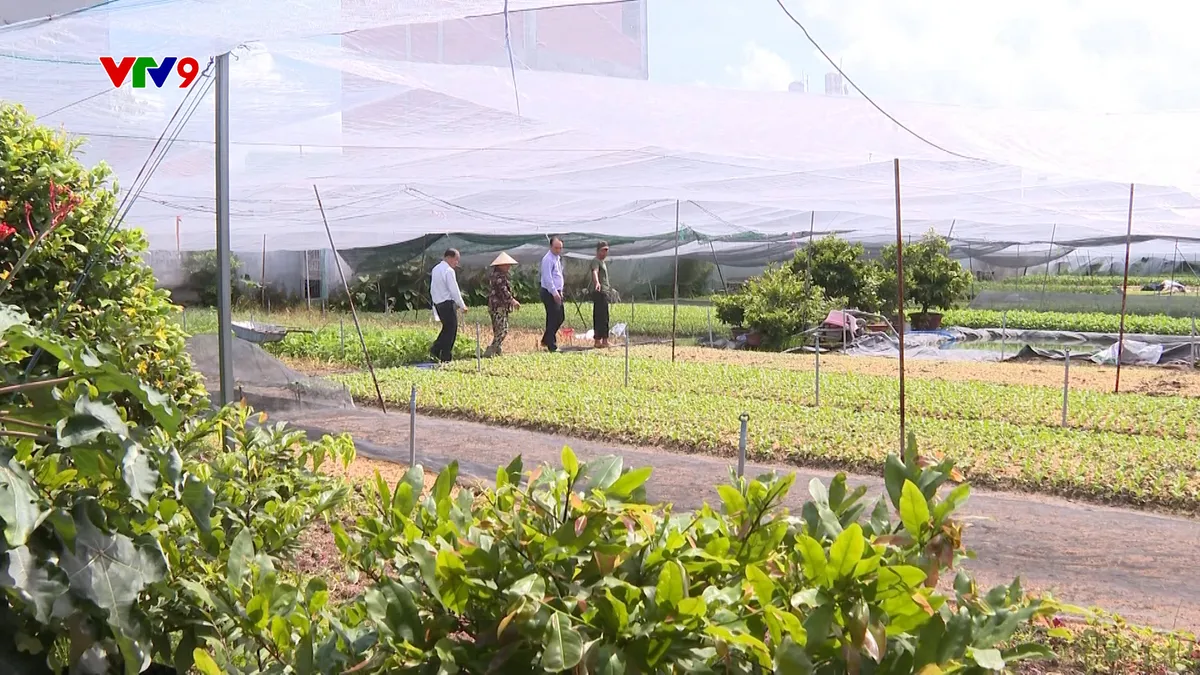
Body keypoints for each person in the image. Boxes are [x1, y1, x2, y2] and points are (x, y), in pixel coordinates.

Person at [429, 248, 467, 362]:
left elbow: (432, 288)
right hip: (447, 303)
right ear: (449, 258)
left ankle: (436, 350)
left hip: (438, 303)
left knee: (447, 328)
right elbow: (454, 290)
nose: (456, 263)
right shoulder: (448, 271)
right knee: (451, 330)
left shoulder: (436, 269)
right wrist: (462, 305)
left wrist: (435, 302)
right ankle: (445, 356)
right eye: (456, 260)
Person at [483, 252, 520, 357]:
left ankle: (497, 350)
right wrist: (512, 300)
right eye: (506, 264)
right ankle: (491, 349)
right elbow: (503, 291)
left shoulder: (496, 275)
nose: (508, 267)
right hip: (498, 306)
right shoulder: (499, 277)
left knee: (498, 329)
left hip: (496, 306)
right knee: (503, 329)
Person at [539, 236, 565, 352]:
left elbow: (558, 276)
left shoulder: (557, 258)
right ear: (550, 247)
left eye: (560, 248)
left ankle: (546, 339)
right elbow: (548, 278)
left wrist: (560, 290)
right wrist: (555, 293)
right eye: (556, 248)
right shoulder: (548, 259)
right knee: (553, 317)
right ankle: (551, 345)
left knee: (560, 316)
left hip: (557, 291)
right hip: (549, 292)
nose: (558, 250)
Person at [590, 241, 612, 348]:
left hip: (605, 292)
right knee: (599, 316)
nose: (605, 253)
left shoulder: (603, 262)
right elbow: (595, 272)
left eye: (606, 250)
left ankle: (605, 340)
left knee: (605, 317)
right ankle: (598, 340)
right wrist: (597, 282)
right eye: (603, 250)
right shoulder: (596, 261)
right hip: (600, 292)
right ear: (598, 251)